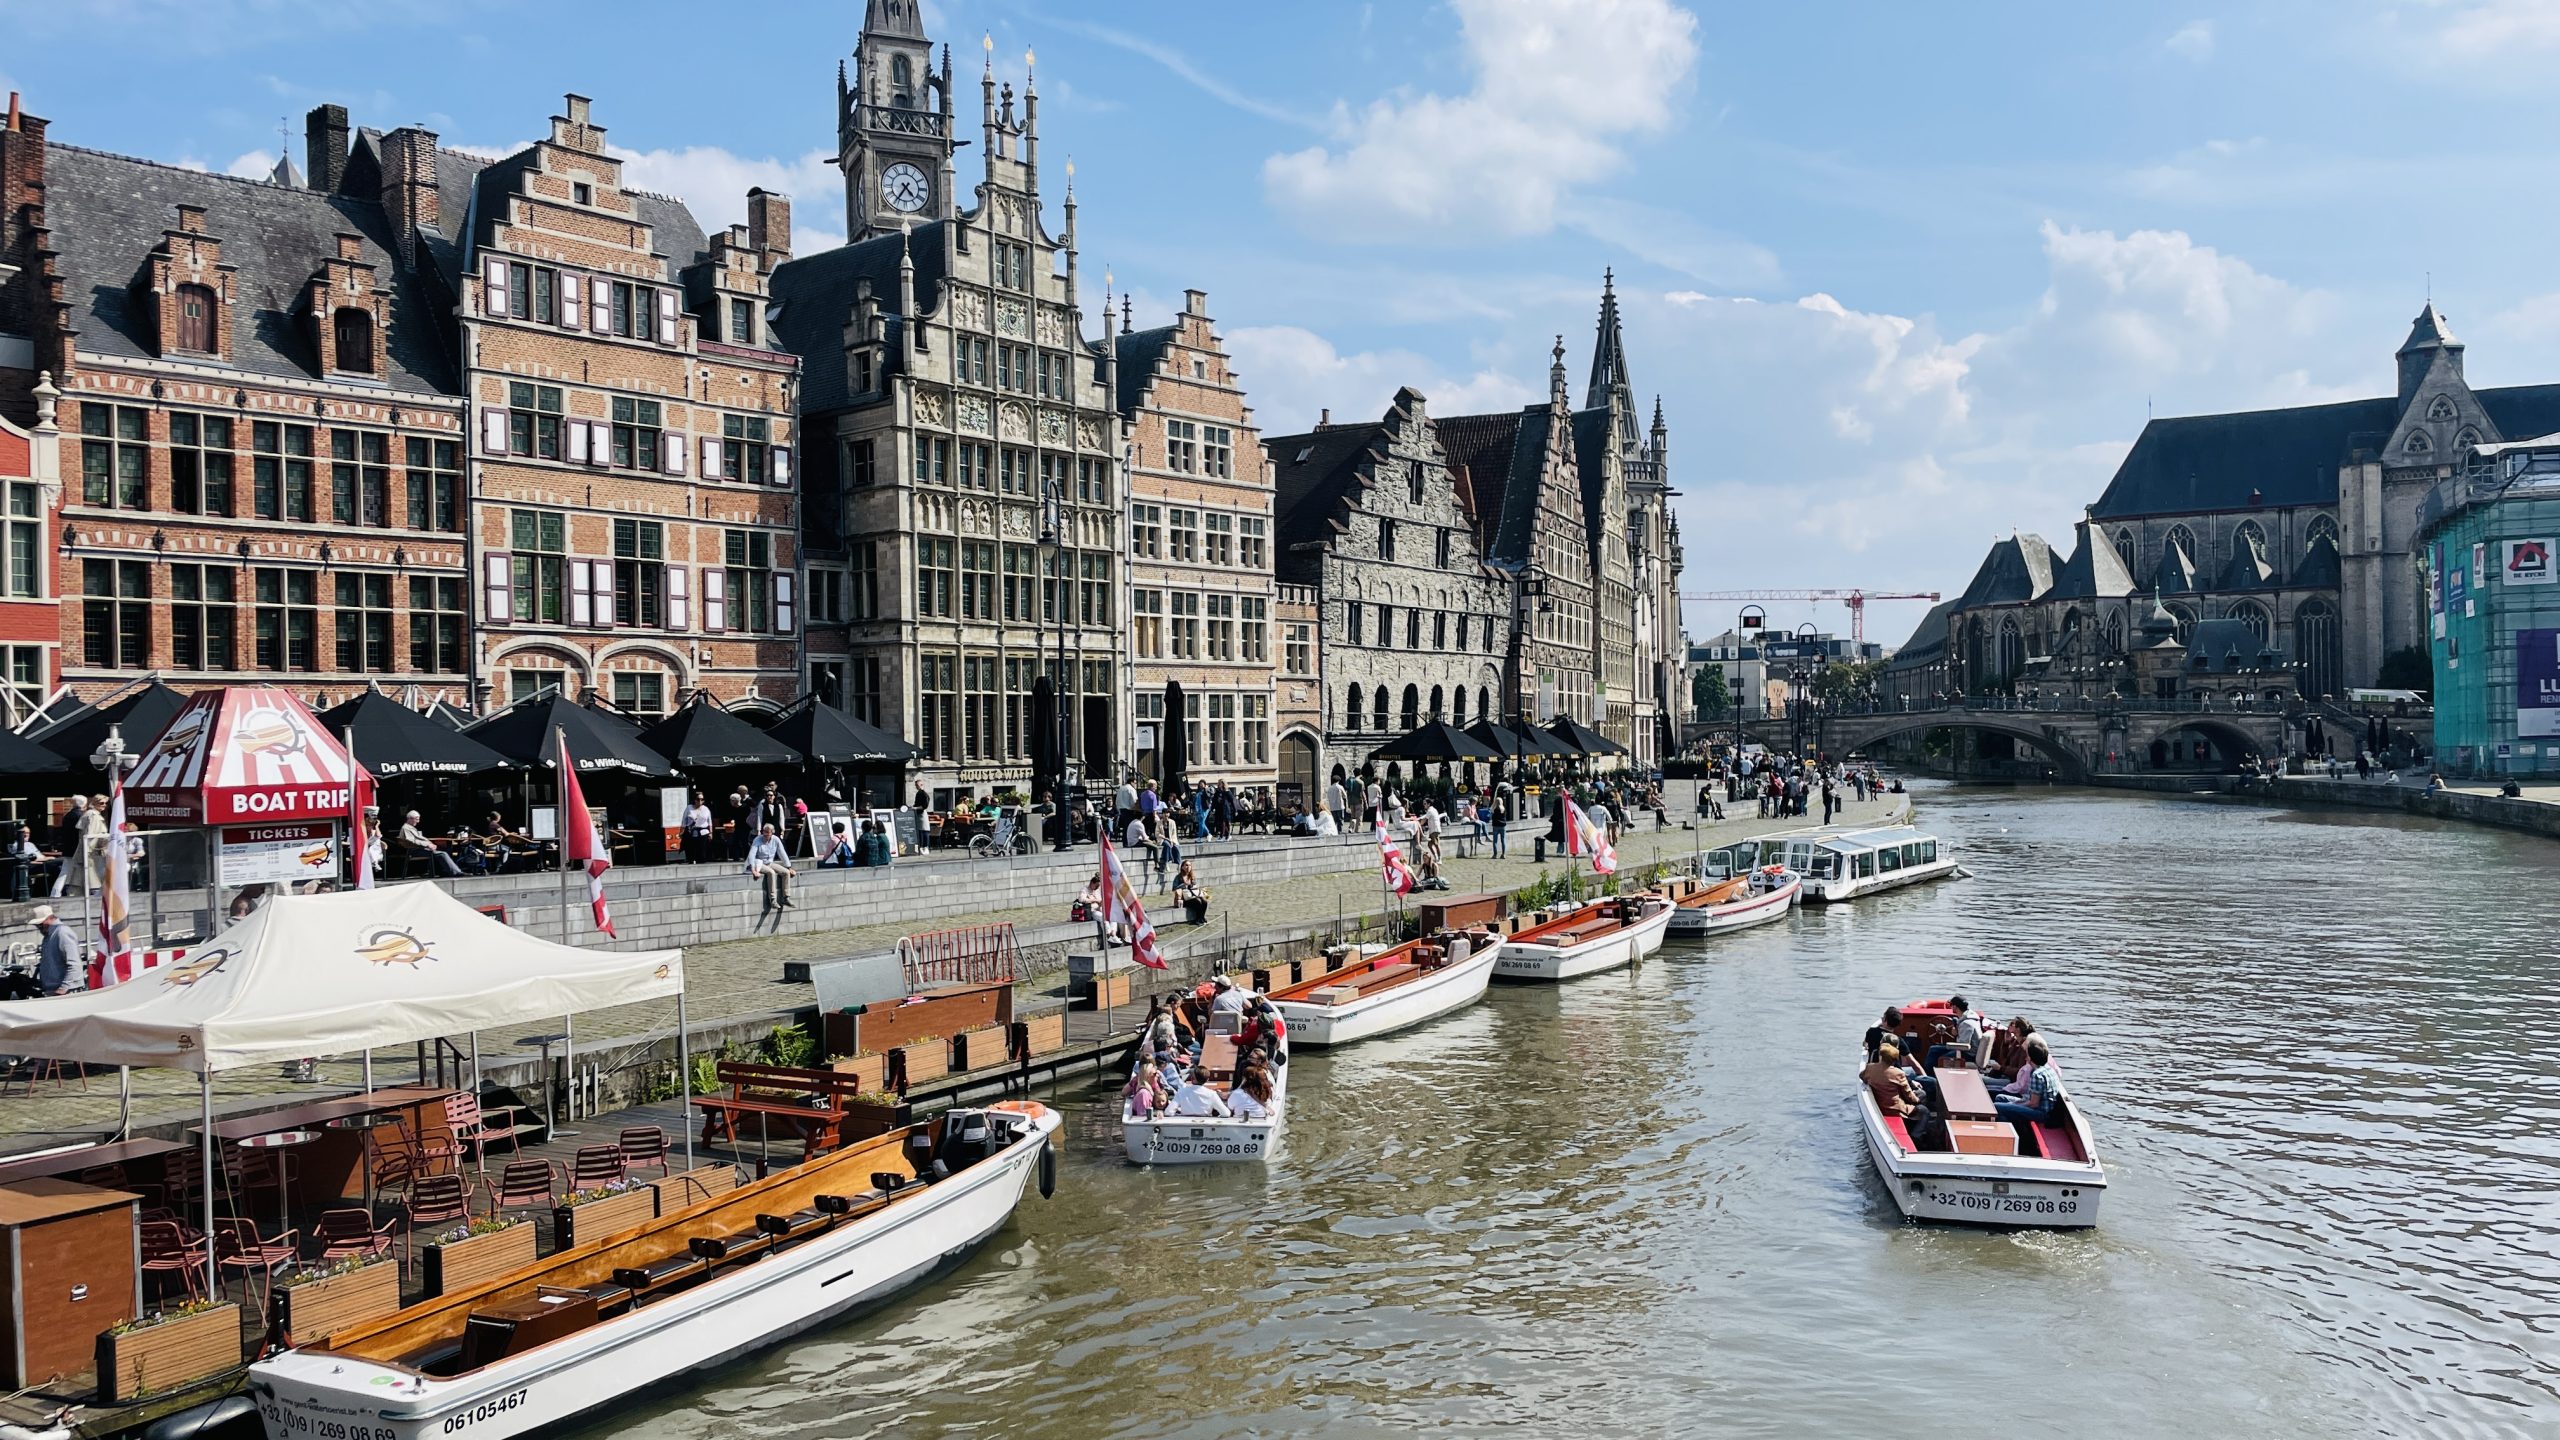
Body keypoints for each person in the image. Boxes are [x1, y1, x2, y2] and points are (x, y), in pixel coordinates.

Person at [1863, 1042, 1943, 1147]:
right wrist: (1917, 1100)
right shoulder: (1898, 1073)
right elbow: (1910, 1096)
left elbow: (1862, 1077)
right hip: (1895, 1108)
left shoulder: (1869, 1068)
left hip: (1879, 1104)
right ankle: (1916, 1135)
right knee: (1924, 1110)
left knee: (1919, 1098)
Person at [1993, 1038, 2065, 1126]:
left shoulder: (2037, 1075)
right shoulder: (2048, 1068)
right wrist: (2014, 1104)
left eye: (2027, 1055)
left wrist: (2013, 1104)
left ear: (2031, 1058)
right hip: (2039, 1106)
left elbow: (2034, 1104)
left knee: (1996, 1106)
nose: (2025, 1058)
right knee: (2000, 1098)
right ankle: (2012, 1126)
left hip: (2040, 1113)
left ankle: (2007, 1132)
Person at [1925, 995, 1985, 1071]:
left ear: (1955, 1007)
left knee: (1939, 1056)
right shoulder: (1969, 1018)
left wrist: (1949, 1045)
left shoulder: (1967, 1023)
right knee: (1933, 1049)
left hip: (1969, 1054)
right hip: (1967, 1051)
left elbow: (1963, 1045)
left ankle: (1931, 1076)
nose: (1951, 1007)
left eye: (1951, 1005)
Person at [395, 810, 462, 877]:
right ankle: (456, 872)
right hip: (415, 850)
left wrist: (430, 844)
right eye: (416, 819)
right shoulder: (405, 828)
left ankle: (445, 871)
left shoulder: (411, 828)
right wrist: (428, 844)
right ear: (410, 818)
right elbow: (412, 840)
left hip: (421, 849)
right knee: (442, 854)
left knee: (446, 850)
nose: (418, 821)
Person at [746, 821, 795, 910]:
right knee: (771, 873)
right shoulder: (757, 839)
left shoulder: (776, 839)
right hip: (759, 863)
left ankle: (786, 897)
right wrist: (753, 870)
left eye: (767, 833)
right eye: (764, 832)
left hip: (769, 862)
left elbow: (782, 853)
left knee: (786, 872)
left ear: (772, 833)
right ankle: (773, 899)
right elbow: (752, 855)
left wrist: (789, 867)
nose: (765, 835)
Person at [30, 905, 73, 996]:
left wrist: (63, 988)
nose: (39, 928)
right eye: (37, 925)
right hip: (52, 989)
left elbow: (73, 963)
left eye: (40, 924)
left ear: (50, 918)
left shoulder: (62, 932)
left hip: (63, 991)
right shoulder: (48, 936)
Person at [682, 790, 716, 864]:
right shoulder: (689, 808)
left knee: (702, 850)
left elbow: (709, 821)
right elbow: (684, 821)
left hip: (703, 832)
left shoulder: (706, 809)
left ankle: (701, 862)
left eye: (702, 799)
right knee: (691, 849)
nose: (700, 801)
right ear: (694, 800)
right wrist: (681, 831)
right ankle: (691, 861)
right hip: (691, 831)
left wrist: (711, 833)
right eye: (698, 799)